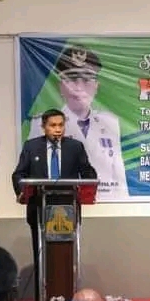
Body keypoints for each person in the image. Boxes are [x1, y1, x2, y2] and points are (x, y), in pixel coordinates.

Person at [26, 45, 129, 200]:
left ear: (96, 86)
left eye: (87, 80)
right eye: (72, 80)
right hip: (60, 202)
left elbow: (119, 175)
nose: (79, 88)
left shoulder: (110, 123)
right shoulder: (43, 124)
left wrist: (123, 205)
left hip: (105, 205)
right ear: (61, 87)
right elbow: (33, 172)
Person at [13, 108, 97, 270]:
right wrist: (21, 192)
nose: (58, 129)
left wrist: (90, 183)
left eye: (61, 125)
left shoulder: (75, 147)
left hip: (68, 208)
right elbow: (19, 174)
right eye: (53, 125)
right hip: (39, 208)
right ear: (44, 127)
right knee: (42, 259)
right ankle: (41, 287)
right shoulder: (31, 147)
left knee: (67, 258)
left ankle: (68, 285)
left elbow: (88, 173)